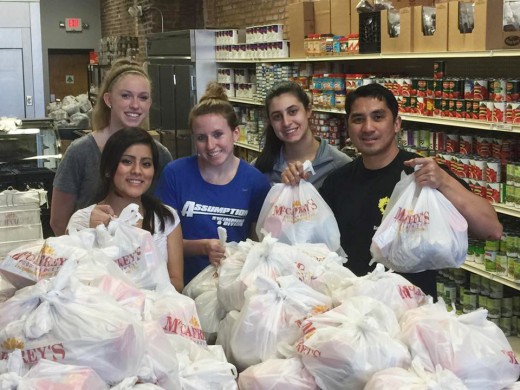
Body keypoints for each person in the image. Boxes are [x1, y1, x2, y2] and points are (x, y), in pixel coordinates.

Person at [283, 83, 503, 297]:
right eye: (358, 119)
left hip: (411, 320)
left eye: (378, 117)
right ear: (348, 127)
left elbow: (491, 229)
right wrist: (295, 190)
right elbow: (308, 245)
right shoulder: (337, 182)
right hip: (353, 315)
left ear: (397, 123)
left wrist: (445, 181)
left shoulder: (425, 175)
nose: (368, 127)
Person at [155, 82, 271, 284]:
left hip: (233, 290)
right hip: (182, 288)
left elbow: (260, 246)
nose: (210, 146)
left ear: (235, 133)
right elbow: (159, 241)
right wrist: (203, 247)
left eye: (218, 134)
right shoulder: (175, 175)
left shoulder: (256, 182)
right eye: (201, 137)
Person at [51, 59, 172, 236]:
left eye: (143, 97)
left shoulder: (160, 155)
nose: (135, 105)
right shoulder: (81, 152)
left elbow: (166, 220)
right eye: (126, 96)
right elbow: (58, 222)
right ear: (108, 99)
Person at [67, 127, 184, 292]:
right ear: (108, 169)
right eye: (127, 161)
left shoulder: (166, 218)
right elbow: (72, 280)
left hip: (154, 315)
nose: (137, 171)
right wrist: (92, 234)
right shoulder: (83, 219)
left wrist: (136, 295)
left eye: (146, 164)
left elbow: (177, 283)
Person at [253, 80, 351, 189]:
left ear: (308, 110)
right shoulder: (259, 168)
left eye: (293, 111)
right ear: (270, 122)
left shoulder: (340, 165)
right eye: (277, 117)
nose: (286, 122)